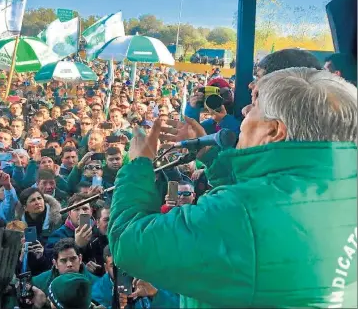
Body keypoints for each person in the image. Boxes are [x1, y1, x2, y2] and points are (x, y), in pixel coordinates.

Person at [108, 68, 357, 308]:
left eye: (255, 106)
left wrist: (139, 164)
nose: (245, 110)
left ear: (273, 131)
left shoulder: (239, 213)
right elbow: (267, 213)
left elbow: (128, 242)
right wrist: (209, 154)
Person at [92, 246, 179, 309]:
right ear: (106, 267)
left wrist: (155, 295)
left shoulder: (149, 278)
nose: (120, 270)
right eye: (113, 266)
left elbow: (180, 305)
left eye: (123, 263)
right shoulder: (98, 292)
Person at [32, 238, 99, 297]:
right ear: (55, 263)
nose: (69, 264)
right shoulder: (38, 283)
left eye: (73, 259)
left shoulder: (98, 285)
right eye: (63, 261)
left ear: (80, 259)